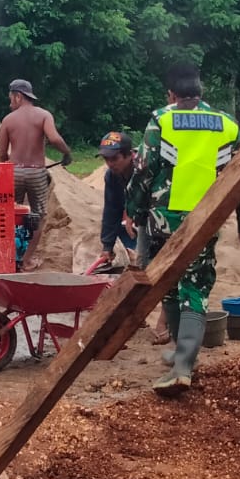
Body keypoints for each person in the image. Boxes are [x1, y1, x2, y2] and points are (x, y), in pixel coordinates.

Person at [131, 63, 240, 394]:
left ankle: (182, 366)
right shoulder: (226, 124)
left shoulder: (162, 119)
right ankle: (182, 357)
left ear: (171, 94)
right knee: (195, 285)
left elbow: (144, 170)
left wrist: (135, 212)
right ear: (201, 93)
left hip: (165, 218)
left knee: (170, 282)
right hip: (206, 218)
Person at [93, 130, 172, 346]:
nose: (110, 163)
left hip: (165, 216)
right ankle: (139, 316)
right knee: (143, 268)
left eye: (114, 158)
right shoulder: (112, 176)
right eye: (106, 159)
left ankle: (164, 322)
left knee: (165, 266)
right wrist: (107, 245)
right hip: (143, 220)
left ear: (130, 155)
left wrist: (133, 212)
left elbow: (160, 197)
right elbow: (111, 209)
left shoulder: (147, 166)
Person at [0, 79, 72, 272]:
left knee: (11, 215)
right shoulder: (43, 115)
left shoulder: (8, 120)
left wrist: (6, 169)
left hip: (14, 172)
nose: (10, 103)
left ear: (18, 96)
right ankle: (26, 260)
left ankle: (9, 258)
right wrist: (66, 153)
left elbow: (2, 154)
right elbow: (54, 138)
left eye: (11, 98)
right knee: (38, 216)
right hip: (37, 173)